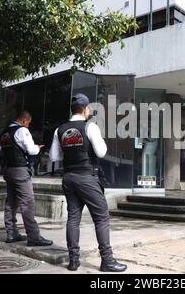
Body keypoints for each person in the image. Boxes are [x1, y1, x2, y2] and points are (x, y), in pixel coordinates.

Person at [49, 94, 127, 273]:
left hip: (69, 177)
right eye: (89, 108)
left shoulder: (59, 130)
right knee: (101, 217)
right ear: (85, 109)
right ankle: (107, 260)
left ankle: (73, 261)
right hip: (87, 177)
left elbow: (54, 157)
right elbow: (101, 152)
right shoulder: (90, 126)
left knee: (73, 219)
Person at [0, 111, 53, 247]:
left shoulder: (5, 132)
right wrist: (37, 148)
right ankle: (34, 236)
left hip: (8, 169)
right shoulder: (21, 130)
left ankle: (11, 233)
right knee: (27, 203)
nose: (28, 126)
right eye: (28, 123)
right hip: (20, 170)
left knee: (11, 202)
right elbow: (31, 150)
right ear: (24, 120)